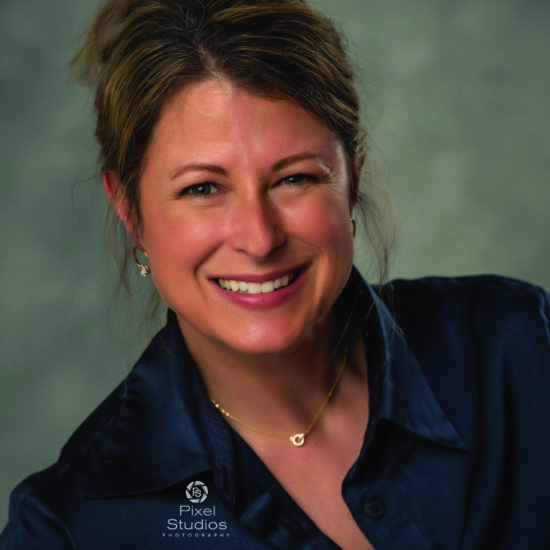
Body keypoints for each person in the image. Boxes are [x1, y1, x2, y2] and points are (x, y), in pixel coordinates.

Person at [1, 0, 549, 548]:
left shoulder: (524, 349)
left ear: (351, 182)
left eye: (294, 179)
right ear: (129, 211)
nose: (259, 239)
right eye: (202, 188)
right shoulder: (67, 528)